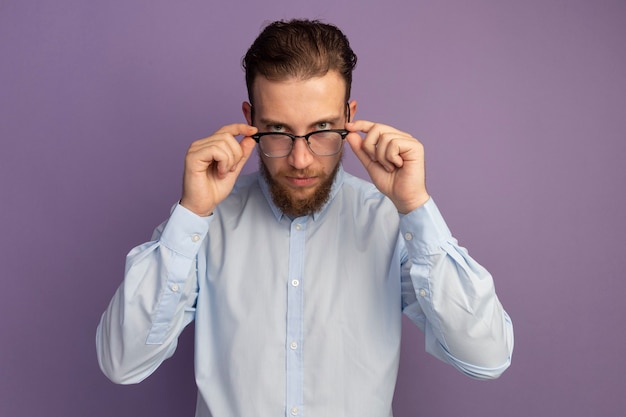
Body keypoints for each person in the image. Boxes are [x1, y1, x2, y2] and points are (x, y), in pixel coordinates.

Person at [96, 19, 513, 417]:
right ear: (249, 120)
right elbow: (122, 362)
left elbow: (487, 356)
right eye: (278, 130)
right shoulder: (203, 225)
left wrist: (416, 207)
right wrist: (191, 214)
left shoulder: (391, 223)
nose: (300, 159)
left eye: (322, 129)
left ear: (349, 118)